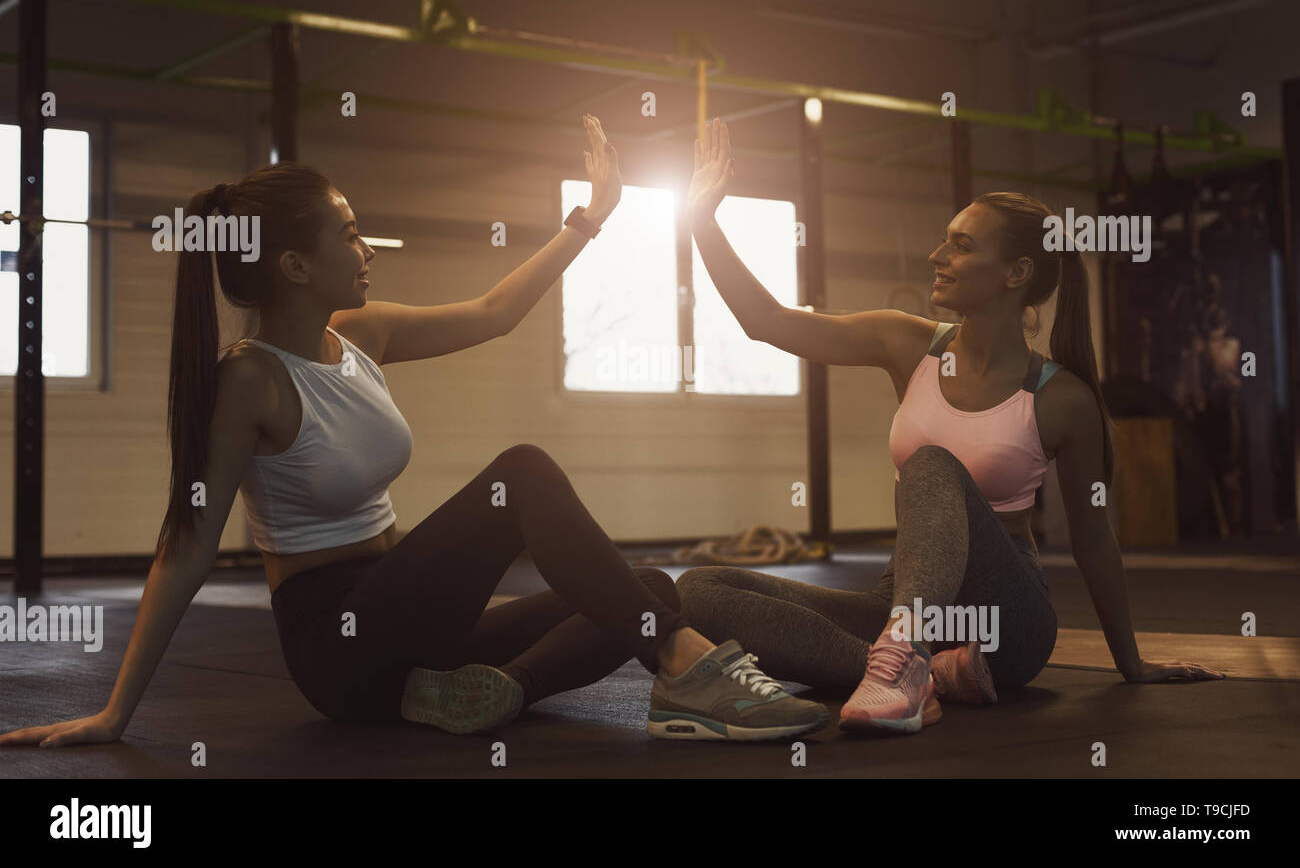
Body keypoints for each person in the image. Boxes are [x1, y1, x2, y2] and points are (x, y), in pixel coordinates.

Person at [0, 115, 829, 749]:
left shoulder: (362, 333)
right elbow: (183, 549)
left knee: (649, 583)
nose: (367, 248)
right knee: (526, 472)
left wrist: (591, 218)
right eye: (349, 233)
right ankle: (684, 665)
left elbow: (495, 314)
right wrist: (115, 711)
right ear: (293, 265)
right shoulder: (248, 379)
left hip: (413, 626)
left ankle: (500, 688)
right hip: (340, 648)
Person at [676, 118, 1225, 734]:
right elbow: (767, 321)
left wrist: (1133, 665)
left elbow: (1095, 541)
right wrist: (702, 219)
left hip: (1005, 623)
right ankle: (916, 669)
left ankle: (902, 663)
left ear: (1016, 274)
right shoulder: (906, 344)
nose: (939, 256)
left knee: (932, 463)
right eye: (946, 240)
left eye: (961, 245)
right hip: (902, 604)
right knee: (697, 590)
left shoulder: (1062, 398)